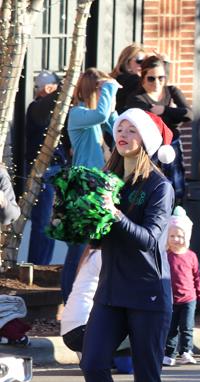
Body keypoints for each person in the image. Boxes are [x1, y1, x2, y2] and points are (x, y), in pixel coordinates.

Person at [80, 108, 176, 382]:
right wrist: (85, 216)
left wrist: (115, 214)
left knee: (146, 376)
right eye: (119, 127)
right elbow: (99, 239)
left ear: (146, 140)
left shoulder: (159, 186)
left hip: (149, 292)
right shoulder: (108, 178)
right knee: (92, 362)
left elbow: (150, 238)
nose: (122, 133)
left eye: (131, 129)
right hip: (111, 290)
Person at [64, 69, 120, 304]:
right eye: (104, 90)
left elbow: (116, 128)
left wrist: (113, 106)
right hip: (83, 188)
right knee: (79, 249)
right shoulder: (77, 113)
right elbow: (99, 115)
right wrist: (109, 87)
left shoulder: (97, 115)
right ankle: (69, 302)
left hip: (99, 187)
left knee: (96, 248)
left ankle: (88, 302)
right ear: (96, 90)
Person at [126, 55, 191, 201]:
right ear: (143, 78)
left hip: (172, 145)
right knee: (153, 187)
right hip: (150, 150)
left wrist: (164, 110)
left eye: (161, 78)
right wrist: (174, 114)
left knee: (177, 187)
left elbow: (188, 114)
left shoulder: (172, 91)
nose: (157, 83)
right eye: (151, 78)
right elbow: (151, 123)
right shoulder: (137, 99)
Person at [24, 70, 68, 265]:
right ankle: (37, 265)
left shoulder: (60, 109)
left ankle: (44, 264)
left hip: (59, 169)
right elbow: (45, 109)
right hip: (43, 170)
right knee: (42, 222)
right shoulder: (36, 107)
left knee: (52, 222)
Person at [163, 207, 200, 366]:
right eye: (172, 236)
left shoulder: (191, 256)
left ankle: (186, 351)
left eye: (180, 236)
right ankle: (169, 354)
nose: (176, 239)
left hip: (189, 298)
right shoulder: (165, 256)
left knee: (187, 327)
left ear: (187, 236)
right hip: (170, 299)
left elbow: (197, 277)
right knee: (171, 328)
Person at [111, 43, 147, 113]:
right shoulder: (133, 80)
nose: (143, 65)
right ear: (127, 63)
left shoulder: (114, 77)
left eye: (145, 62)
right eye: (139, 61)